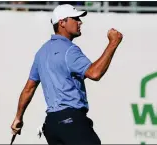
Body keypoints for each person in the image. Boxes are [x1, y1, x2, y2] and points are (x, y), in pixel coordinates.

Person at [11, 4, 123, 145]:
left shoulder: (41, 52)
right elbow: (95, 73)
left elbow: (29, 89)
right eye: (75, 19)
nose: (80, 22)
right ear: (62, 23)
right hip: (72, 120)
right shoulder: (70, 50)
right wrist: (113, 43)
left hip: (52, 125)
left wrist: (18, 117)